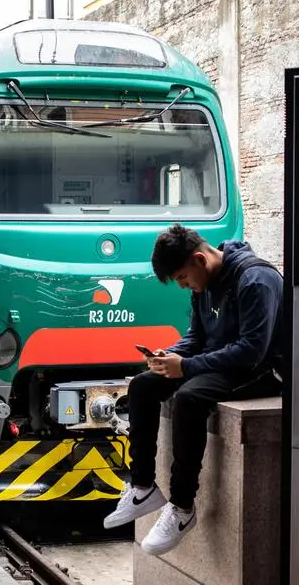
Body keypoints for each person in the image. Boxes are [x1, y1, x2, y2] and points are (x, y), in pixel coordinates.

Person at [104, 224, 282, 555]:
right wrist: (169, 356)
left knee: (189, 398)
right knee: (142, 386)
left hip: (261, 370)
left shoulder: (255, 280)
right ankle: (142, 487)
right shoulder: (203, 285)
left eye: (183, 277)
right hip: (220, 362)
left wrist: (185, 366)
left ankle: (182, 507)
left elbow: (252, 350)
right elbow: (197, 337)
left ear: (200, 259)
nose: (183, 285)